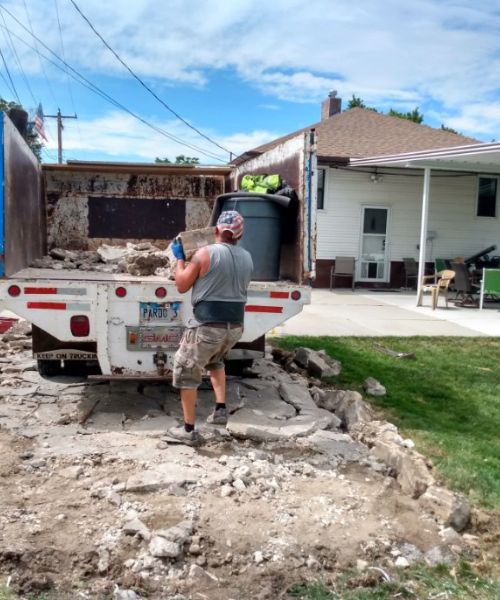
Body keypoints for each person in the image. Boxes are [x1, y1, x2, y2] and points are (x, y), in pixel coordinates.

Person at [167, 210, 253, 445]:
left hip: (207, 326)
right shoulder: (247, 257)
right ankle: (220, 409)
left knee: (186, 372)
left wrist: (180, 258)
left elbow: (182, 285)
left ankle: (187, 431)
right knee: (215, 360)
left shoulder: (204, 254)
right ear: (240, 235)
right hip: (234, 328)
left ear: (216, 230)